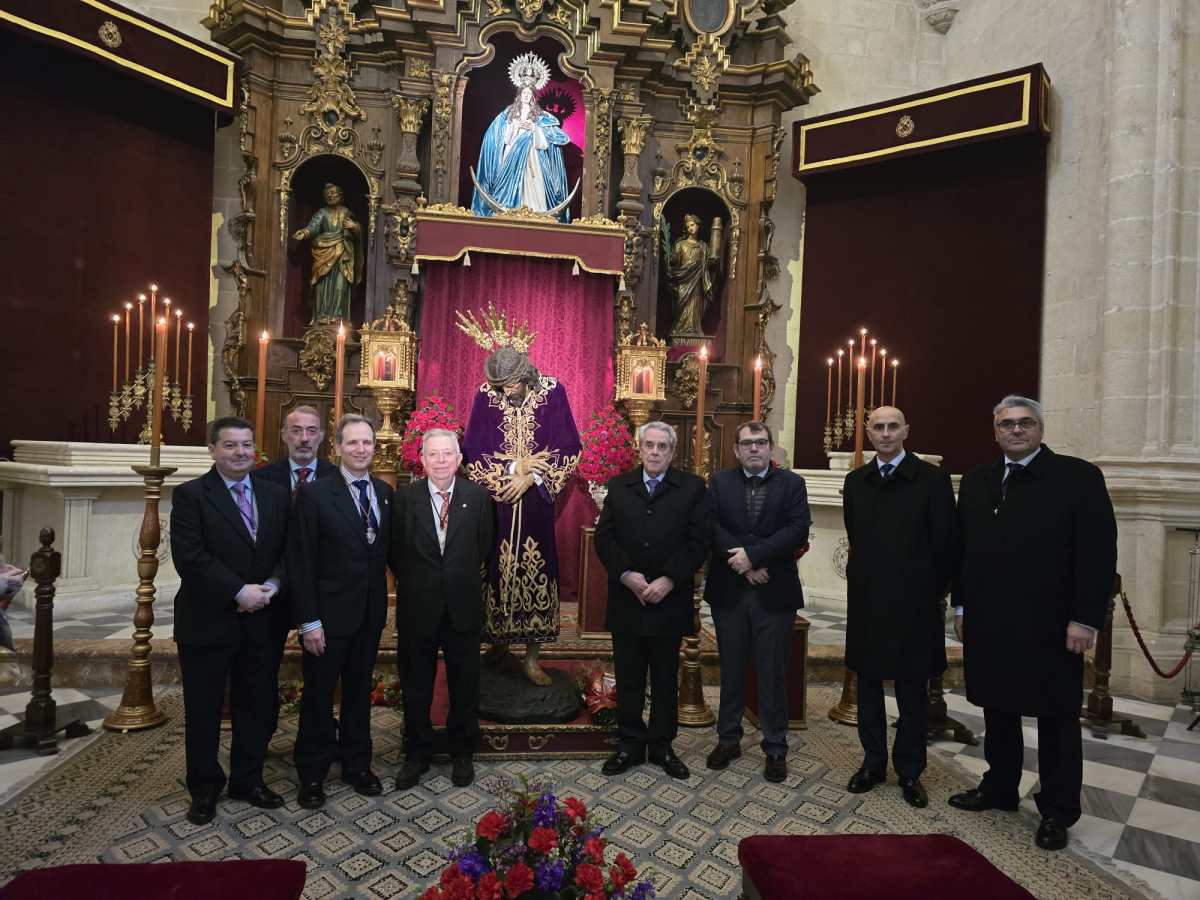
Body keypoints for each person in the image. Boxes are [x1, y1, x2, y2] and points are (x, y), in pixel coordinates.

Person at [949, 395, 1117, 851]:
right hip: (990, 621)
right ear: (995, 432)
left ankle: (1058, 809)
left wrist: (1084, 619)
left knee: (1056, 719)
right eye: (1007, 424)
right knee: (998, 709)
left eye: (1025, 423)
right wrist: (961, 608)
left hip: (1052, 624)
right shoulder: (980, 479)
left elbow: (1097, 555)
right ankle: (1000, 787)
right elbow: (964, 553)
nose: (1016, 431)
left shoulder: (1078, 478)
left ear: (1041, 428)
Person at [170, 416, 290, 826]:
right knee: (203, 709)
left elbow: (286, 549)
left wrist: (273, 584)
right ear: (212, 450)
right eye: (230, 445)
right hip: (208, 619)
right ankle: (204, 788)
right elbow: (190, 557)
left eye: (246, 445)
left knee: (255, 703)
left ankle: (248, 779)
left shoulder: (275, 494)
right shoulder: (190, 496)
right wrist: (238, 592)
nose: (240, 453)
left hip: (262, 620)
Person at [842, 406, 956, 808]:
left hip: (915, 604)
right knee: (868, 688)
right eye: (878, 427)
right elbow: (857, 535)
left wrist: (929, 591)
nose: (886, 434)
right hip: (869, 602)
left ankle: (910, 771)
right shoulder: (856, 482)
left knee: (912, 692)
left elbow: (945, 544)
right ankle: (873, 763)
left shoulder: (932, 480)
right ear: (868, 433)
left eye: (893, 427)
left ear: (906, 430)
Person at [288, 414, 393, 809]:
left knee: (358, 695)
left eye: (367, 443)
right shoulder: (315, 494)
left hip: (368, 615)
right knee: (318, 697)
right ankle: (311, 774)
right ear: (336, 447)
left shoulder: (384, 493)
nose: (361, 449)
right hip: (326, 620)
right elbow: (301, 563)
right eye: (352, 443)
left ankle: (356, 765)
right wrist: (309, 621)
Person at [594, 421, 708, 780]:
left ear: (672, 453)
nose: (656, 452)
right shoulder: (620, 485)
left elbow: (698, 541)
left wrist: (669, 579)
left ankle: (661, 745)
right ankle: (629, 744)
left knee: (663, 676)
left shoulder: (691, 488)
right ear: (639, 449)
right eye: (650, 445)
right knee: (628, 675)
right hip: (628, 599)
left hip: (668, 599)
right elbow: (604, 538)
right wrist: (627, 575)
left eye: (663, 447)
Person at [463, 345, 580, 686]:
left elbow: (569, 446)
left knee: (537, 568)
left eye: (511, 384)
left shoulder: (554, 392)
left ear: (527, 375)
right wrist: (514, 467)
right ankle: (497, 645)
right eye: (500, 385)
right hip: (496, 501)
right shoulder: (486, 396)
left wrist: (531, 477)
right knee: (494, 571)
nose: (506, 391)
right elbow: (472, 450)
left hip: (537, 503)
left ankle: (531, 658)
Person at [704, 421, 811, 783]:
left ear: (770, 448)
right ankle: (728, 739)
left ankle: (776, 746)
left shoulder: (792, 484)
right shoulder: (720, 483)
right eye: (747, 443)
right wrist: (743, 565)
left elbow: (797, 529)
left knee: (772, 670)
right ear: (736, 449)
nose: (754, 449)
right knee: (731, 667)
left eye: (760, 443)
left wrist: (754, 556)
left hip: (775, 591)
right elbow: (711, 526)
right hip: (730, 591)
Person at [391, 429, 494, 790]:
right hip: (417, 605)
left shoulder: (478, 497)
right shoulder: (404, 499)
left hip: (462, 605)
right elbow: (395, 553)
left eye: (447, 454)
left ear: (458, 459)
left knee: (464, 683)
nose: (440, 460)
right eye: (432, 454)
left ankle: (462, 751)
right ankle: (416, 752)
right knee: (416, 684)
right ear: (421, 459)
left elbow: (484, 547)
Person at [471, 52, 571, 221]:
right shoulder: (509, 113)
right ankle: (510, 210)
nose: (526, 96)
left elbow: (545, 145)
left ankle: (534, 212)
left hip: (532, 155)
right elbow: (505, 139)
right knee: (509, 183)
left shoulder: (541, 117)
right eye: (523, 93)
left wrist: (533, 128)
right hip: (512, 154)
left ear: (533, 96)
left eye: (529, 94)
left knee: (533, 183)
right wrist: (516, 126)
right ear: (519, 94)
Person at [291, 182, 363, 323]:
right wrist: (305, 232)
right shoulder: (322, 213)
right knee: (321, 286)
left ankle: (337, 316)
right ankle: (321, 316)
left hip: (342, 255)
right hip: (324, 253)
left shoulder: (346, 212)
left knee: (339, 286)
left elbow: (358, 233)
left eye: (333, 193)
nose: (330, 195)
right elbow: (314, 227)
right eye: (327, 194)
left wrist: (355, 227)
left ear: (340, 196)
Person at [253, 405, 337, 495]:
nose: (304, 439)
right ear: (284, 436)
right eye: (296, 431)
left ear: (321, 437)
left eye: (312, 431)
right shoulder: (262, 477)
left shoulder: (337, 477)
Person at [667, 214, 717, 339]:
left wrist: (713, 260)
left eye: (693, 225)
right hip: (683, 281)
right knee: (682, 306)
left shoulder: (703, 246)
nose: (690, 228)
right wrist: (670, 257)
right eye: (688, 226)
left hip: (697, 281)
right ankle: (680, 329)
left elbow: (708, 264)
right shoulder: (680, 245)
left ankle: (694, 329)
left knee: (694, 306)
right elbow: (674, 261)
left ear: (698, 225)